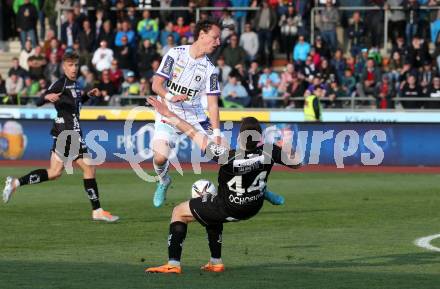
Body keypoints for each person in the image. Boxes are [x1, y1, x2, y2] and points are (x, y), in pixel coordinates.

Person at [145, 96, 301, 274]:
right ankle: (215, 262)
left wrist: (167, 113)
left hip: (230, 206)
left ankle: (173, 264)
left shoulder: (227, 156)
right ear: (260, 138)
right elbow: (297, 163)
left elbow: (192, 132)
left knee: (179, 212)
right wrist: (286, 145)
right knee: (211, 208)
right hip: (253, 207)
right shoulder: (270, 150)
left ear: (241, 137)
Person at [2, 52, 119, 223]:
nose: (74, 68)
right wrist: (46, 97)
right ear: (64, 67)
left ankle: (15, 183)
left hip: (70, 131)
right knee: (88, 169)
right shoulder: (61, 83)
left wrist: (87, 95)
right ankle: (97, 211)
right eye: (70, 65)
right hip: (67, 132)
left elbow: (75, 103)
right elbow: (39, 101)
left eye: (76, 65)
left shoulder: (76, 84)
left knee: (55, 172)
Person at [150, 19, 223, 208]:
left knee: (224, 157)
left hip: (196, 118)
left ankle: (258, 189)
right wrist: (171, 96)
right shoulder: (175, 54)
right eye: (215, 38)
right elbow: (156, 85)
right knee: (159, 157)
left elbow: (213, 105)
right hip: (169, 113)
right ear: (202, 35)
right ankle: (164, 180)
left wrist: (216, 134)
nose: (218, 42)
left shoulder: (210, 70)